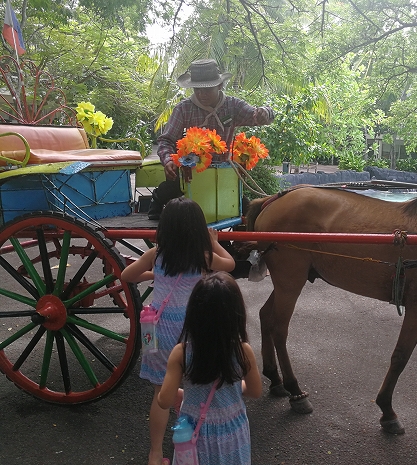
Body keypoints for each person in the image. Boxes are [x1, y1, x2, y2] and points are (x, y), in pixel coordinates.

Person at [121, 197, 236, 465]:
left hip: (158, 328)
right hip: (194, 327)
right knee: (199, 384)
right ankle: (195, 445)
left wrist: (156, 276)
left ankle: (155, 453)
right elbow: (229, 265)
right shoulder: (203, 257)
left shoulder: (156, 255)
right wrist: (214, 241)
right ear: (198, 229)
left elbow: (127, 275)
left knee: (161, 392)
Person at [148, 58, 275, 219]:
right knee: (169, 192)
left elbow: (256, 116)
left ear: (220, 85)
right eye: (197, 89)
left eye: (207, 89)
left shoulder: (233, 106)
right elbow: (166, 141)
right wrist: (168, 161)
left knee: (245, 212)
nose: (202, 94)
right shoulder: (183, 109)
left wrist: (265, 113)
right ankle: (157, 200)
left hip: (223, 176)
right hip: (189, 174)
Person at [157, 272, 262, 465]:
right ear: (236, 313)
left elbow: (164, 400)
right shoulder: (242, 350)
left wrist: (182, 394)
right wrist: (236, 388)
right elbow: (255, 391)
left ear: (193, 313)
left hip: (195, 434)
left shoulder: (182, 352)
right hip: (233, 431)